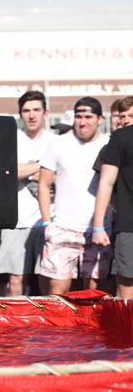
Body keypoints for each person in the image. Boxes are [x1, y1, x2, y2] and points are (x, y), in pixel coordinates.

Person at [38, 97, 112, 294]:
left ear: (100, 119)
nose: (82, 121)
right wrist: (47, 223)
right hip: (62, 228)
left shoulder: (108, 145)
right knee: (57, 291)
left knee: (95, 292)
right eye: (79, 116)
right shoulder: (58, 143)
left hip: (98, 230)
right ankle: (58, 326)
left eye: (88, 116)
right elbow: (43, 184)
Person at [0, 90, 54, 295]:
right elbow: (7, 171)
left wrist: (25, 170)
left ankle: (48, 323)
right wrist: (41, 168)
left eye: (36, 110)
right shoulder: (11, 140)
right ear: (20, 114)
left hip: (48, 221)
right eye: (26, 110)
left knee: (47, 279)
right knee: (15, 280)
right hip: (16, 221)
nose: (32, 115)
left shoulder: (55, 141)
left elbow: (59, 176)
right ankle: (17, 325)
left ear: (46, 113)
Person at [91, 97, 133, 297]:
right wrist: (98, 226)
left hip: (126, 225)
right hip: (128, 227)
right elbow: (105, 182)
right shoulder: (120, 138)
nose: (125, 119)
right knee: (126, 288)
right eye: (123, 115)